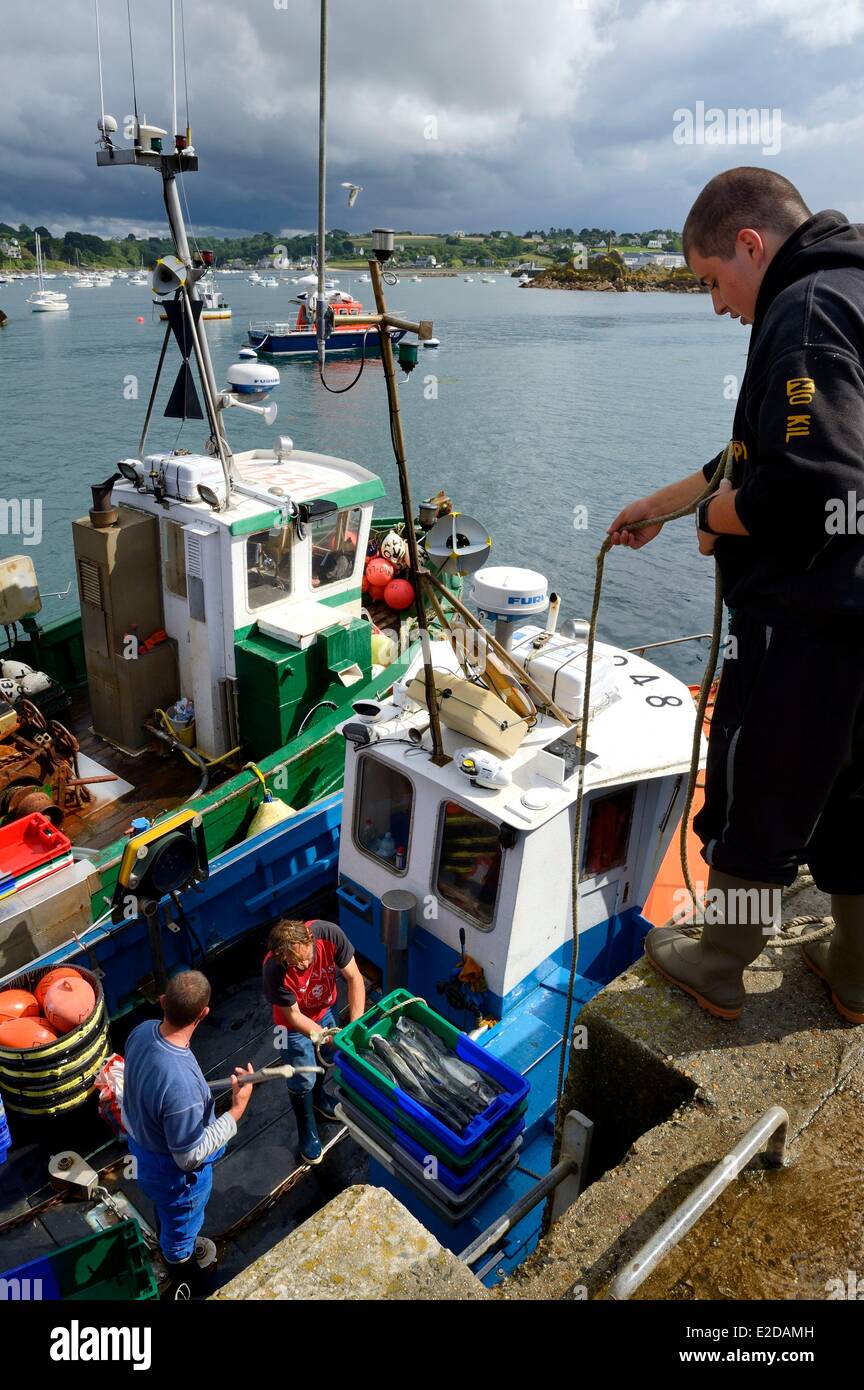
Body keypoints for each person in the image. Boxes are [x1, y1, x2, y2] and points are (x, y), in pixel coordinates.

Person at [608, 167, 864, 1024]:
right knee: (858, 789)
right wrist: (669, 500)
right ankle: (857, 968)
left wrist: (716, 520)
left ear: (751, 244)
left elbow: (809, 482)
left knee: (763, 788)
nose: (717, 306)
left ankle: (718, 959)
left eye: (714, 281)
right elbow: (763, 455)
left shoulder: (801, 316)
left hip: (815, 616)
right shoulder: (852, 290)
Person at [122, 971, 254, 1294]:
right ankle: (184, 1275)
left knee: (164, 1211)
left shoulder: (139, 1033)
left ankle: (169, 1236)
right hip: (176, 1179)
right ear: (203, 1014)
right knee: (179, 1237)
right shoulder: (182, 1086)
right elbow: (189, 1156)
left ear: (163, 1001)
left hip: (143, 1153)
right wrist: (236, 1111)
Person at [262, 917, 366, 1163]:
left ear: (311, 939)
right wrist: (323, 1035)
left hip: (325, 1008)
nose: (305, 964)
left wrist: (354, 1025)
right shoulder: (274, 969)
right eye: (297, 963)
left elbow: (355, 978)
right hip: (293, 1025)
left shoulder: (331, 934)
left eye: (307, 956)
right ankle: (306, 1127)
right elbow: (293, 1015)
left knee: (326, 1058)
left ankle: (319, 1098)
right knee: (302, 1075)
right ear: (282, 958)